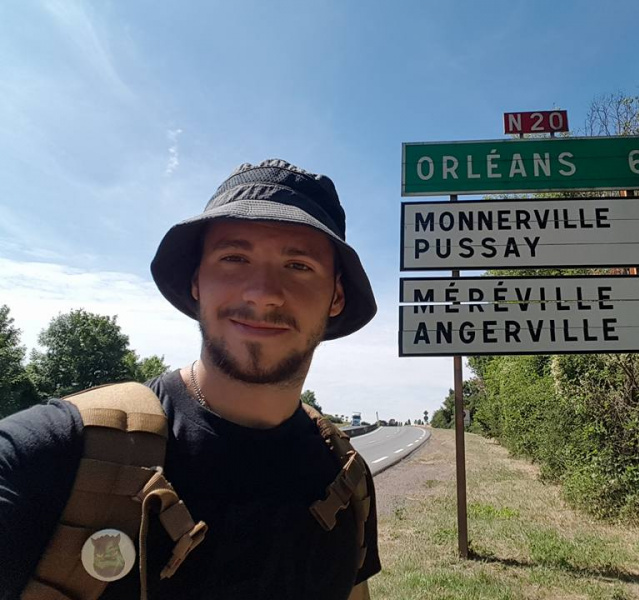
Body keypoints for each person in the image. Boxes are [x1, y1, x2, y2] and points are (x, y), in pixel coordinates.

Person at [0, 159, 380, 599]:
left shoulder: (346, 478)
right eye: (234, 258)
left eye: (298, 265)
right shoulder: (46, 457)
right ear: (197, 281)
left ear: (336, 297)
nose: (262, 293)